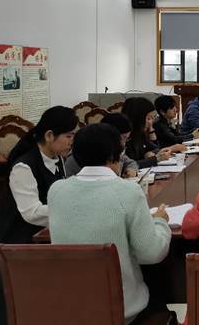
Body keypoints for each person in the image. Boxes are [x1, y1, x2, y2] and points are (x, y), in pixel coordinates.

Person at [48, 123, 172, 324]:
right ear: (117, 153)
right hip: (121, 309)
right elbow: (151, 253)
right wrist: (160, 221)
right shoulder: (128, 191)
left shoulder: (56, 190)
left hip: (72, 305)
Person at [0, 106, 79, 325]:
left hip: (41, 240)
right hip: (12, 248)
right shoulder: (24, 166)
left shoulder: (57, 158)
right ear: (49, 135)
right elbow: (31, 213)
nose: (72, 141)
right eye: (69, 136)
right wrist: (73, 209)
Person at [65, 112, 139, 177]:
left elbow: (130, 162)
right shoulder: (81, 155)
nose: (123, 144)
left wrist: (132, 170)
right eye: (123, 138)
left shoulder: (114, 151)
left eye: (127, 139)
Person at [122, 97, 181, 169]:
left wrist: (151, 153)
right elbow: (127, 165)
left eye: (152, 118)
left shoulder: (140, 134)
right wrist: (155, 159)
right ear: (138, 118)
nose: (151, 122)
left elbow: (155, 148)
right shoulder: (125, 137)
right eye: (148, 118)